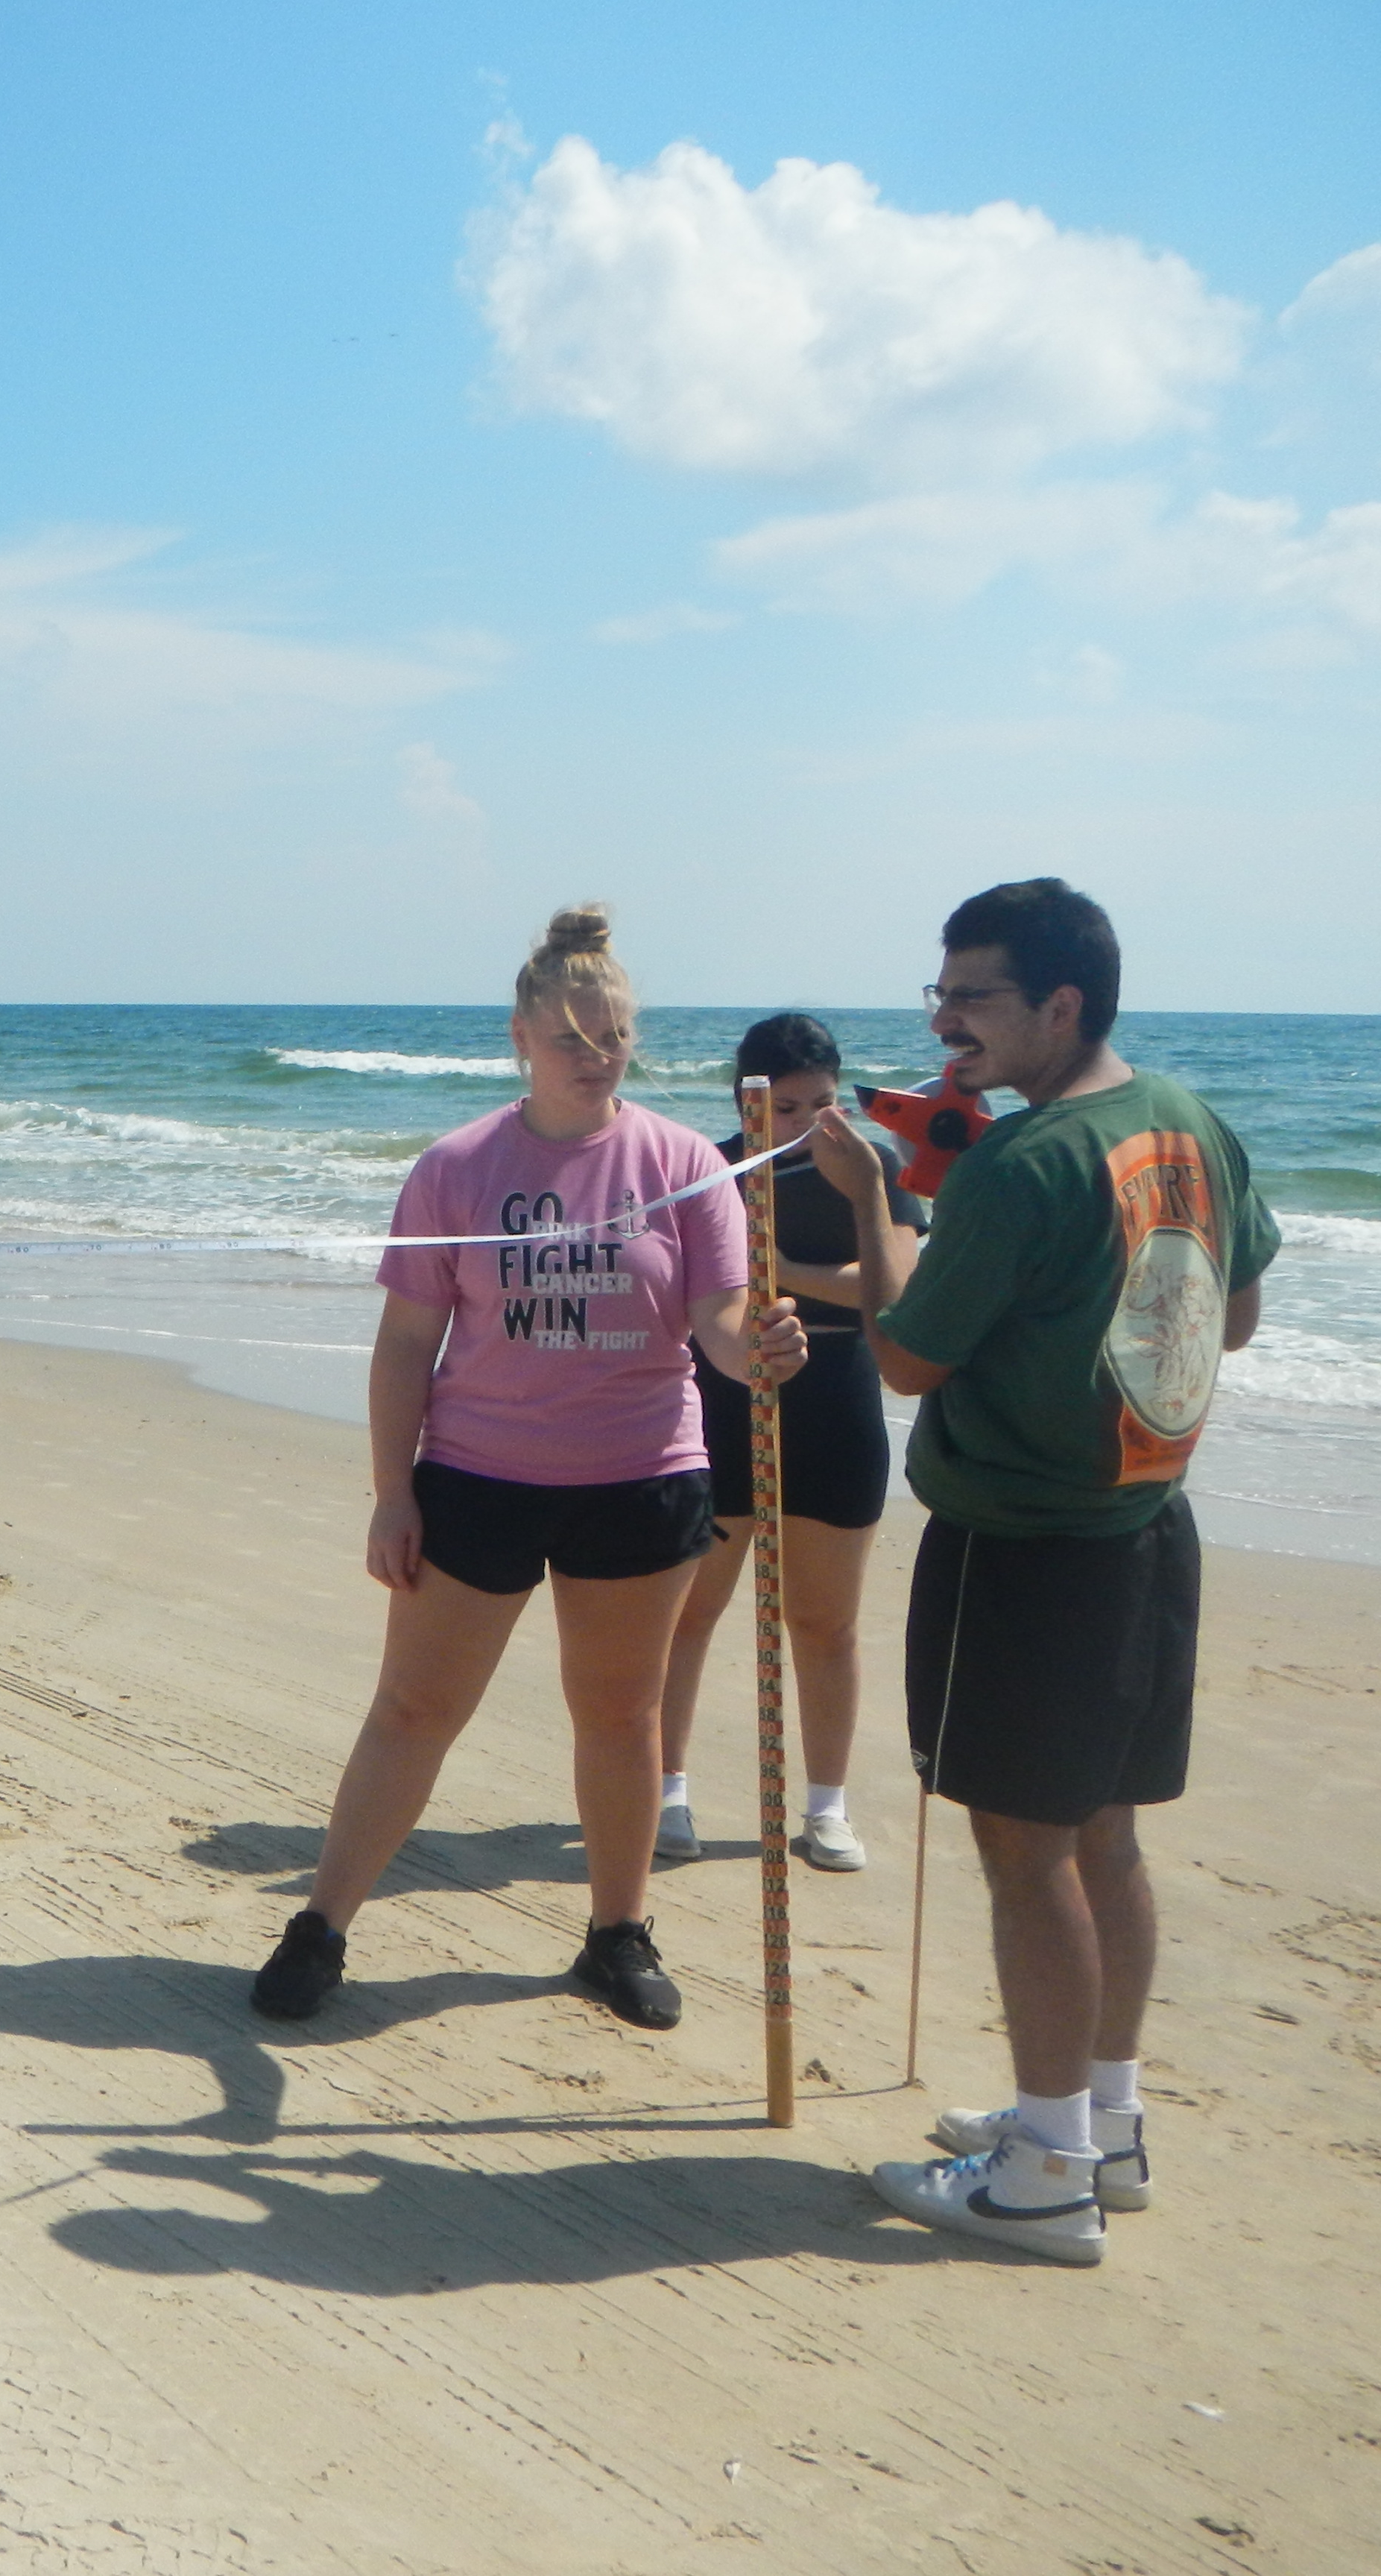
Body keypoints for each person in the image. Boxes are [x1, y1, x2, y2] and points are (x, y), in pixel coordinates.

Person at [806, 879, 1275, 2266]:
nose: (943, 1023)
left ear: (1059, 1005)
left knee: (1027, 1853)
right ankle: (1100, 2125)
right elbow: (1233, 1316)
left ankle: (1045, 2175)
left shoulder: (1023, 1163)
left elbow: (904, 1358)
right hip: (1147, 1529)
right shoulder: (1185, 1119)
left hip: (1025, 1545)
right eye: (939, 993)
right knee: (1104, 1835)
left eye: (973, 997)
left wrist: (876, 1202)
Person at [252, 906, 805, 2032]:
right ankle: (321, 1927)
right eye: (572, 1039)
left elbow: (717, 1321)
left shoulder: (686, 1164)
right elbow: (407, 1344)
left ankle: (617, 1934)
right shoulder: (457, 1168)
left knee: (621, 1715)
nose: (598, 1058)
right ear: (521, 1038)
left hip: (640, 1476)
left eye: (615, 1038)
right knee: (414, 1709)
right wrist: (393, 1493)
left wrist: (759, 1350)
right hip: (478, 1477)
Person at [653, 1014, 925, 1872]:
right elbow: (680, 1288)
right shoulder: (710, 1170)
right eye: (789, 1107)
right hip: (726, 1397)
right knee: (692, 1610)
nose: (810, 1123)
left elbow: (896, 1290)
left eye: (824, 1102)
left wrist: (778, 1269)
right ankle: (666, 1791)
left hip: (839, 1399)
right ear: (749, 1101)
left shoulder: (871, 1169)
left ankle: (827, 1808)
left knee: (823, 1620)